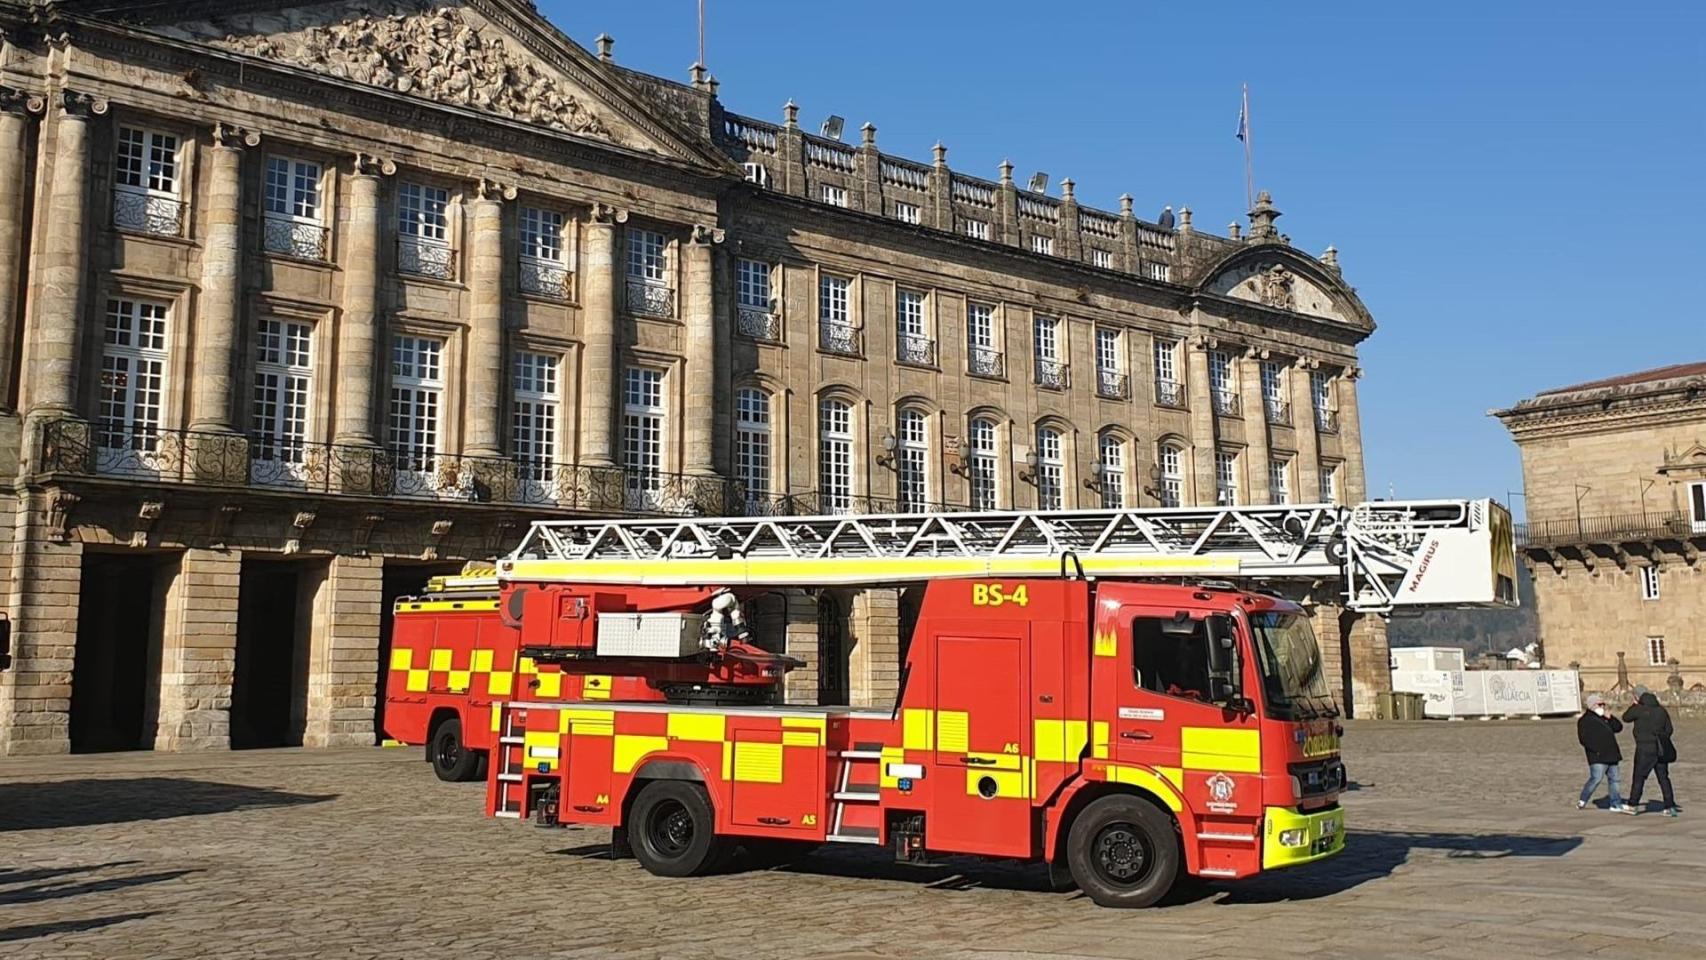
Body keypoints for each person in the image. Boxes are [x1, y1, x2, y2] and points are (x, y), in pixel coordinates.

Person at [1623, 687, 1681, 817]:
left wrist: (1634, 705)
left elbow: (1625, 717)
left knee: (1639, 777)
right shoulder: (1661, 710)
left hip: (1644, 748)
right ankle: (1670, 806)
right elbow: (1669, 729)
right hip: (1660, 748)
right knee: (1663, 778)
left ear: (1637, 697)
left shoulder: (1638, 709)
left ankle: (1633, 804)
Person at [1576, 694, 1631, 812]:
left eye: (1603, 704)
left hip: (1612, 754)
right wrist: (1596, 750)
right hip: (1598, 756)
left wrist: (1611, 718)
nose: (1602, 707)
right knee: (1596, 779)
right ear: (1592, 706)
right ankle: (1583, 799)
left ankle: (1615, 803)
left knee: (1615, 780)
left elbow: (1618, 728)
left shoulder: (1605, 718)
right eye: (1599, 704)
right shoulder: (1585, 720)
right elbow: (1583, 739)